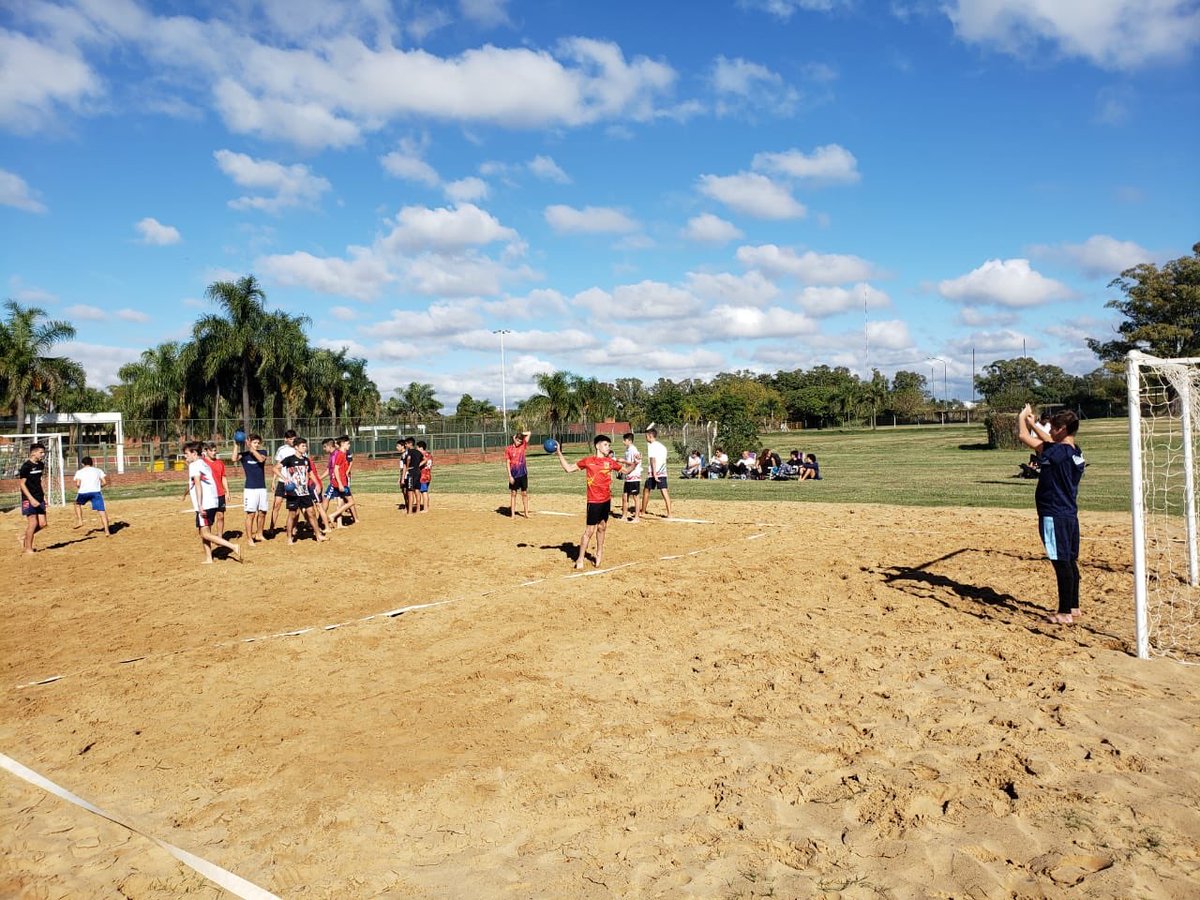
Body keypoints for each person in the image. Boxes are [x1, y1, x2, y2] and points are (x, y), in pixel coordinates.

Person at [1018, 403, 1086, 625]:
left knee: (1060, 563)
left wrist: (1022, 420)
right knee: (1070, 561)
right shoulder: (1075, 452)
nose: (1050, 430)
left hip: (1053, 514)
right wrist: (1033, 423)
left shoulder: (1057, 452)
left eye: (1053, 427)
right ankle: (1074, 607)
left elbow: (1023, 437)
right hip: (1068, 514)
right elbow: (1048, 440)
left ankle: (1064, 612)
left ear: (1063, 429)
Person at [555, 435, 636, 569]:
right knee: (589, 530)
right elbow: (568, 469)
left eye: (608, 445)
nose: (608, 447)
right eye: (605, 445)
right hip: (593, 501)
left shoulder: (610, 462)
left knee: (602, 527)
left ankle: (599, 552)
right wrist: (559, 453)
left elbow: (626, 471)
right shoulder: (588, 461)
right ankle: (580, 558)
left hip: (606, 500)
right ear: (598, 446)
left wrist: (635, 463)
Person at [183, 441, 241, 563]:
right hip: (213, 502)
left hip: (205, 504)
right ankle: (209, 558)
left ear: (194, 453)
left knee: (205, 533)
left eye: (186, 453)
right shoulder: (204, 465)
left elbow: (198, 484)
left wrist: (199, 505)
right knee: (204, 531)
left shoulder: (194, 466)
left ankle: (233, 547)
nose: (185, 456)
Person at [280, 437, 326, 544]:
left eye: (305, 446)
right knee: (293, 514)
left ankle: (318, 535)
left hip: (304, 492)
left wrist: (317, 484)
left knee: (312, 512)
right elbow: (275, 468)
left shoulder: (306, 460)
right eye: (303, 446)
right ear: (296, 447)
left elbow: (309, 473)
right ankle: (289, 538)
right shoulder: (289, 459)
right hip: (293, 492)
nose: (305, 448)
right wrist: (285, 478)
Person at [235, 433, 269, 544]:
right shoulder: (244, 455)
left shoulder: (262, 452)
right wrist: (236, 445)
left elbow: (261, 460)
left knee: (263, 512)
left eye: (258, 443)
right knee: (251, 514)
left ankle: (259, 534)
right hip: (250, 489)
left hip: (262, 488)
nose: (257, 445)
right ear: (249, 442)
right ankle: (250, 538)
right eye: (254, 442)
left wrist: (251, 449)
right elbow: (233, 458)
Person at [18, 442, 48, 554]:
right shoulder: (26, 466)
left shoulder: (41, 465)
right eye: (41, 452)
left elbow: (39, 482)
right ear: (33, 453)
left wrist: (43, 497)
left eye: (43, 452)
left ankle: (24, 537)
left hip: (39, 497)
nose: (43, 454)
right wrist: (31, 499)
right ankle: (28, 549)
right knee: (33, 523)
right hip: (28, 498)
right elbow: (22, 484)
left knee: (43, 524)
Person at [638, 427, 673, 518]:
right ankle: (669, 514)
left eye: (646, 436)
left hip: (654, 472)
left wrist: (654, 474)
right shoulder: (662, 446)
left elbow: (653, 460)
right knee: (664, 491)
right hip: (662, 471)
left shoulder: (652, 446)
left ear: (650, 436)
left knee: (646, 490)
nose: (646, 438)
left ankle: (643, 511)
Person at [72, 455, 110, 536]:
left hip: (83, 492)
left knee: (76, 504)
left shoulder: (79, 472)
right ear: (92, 463)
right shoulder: (98, 470)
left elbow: (78, 484)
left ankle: (80, 521)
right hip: (96, 492)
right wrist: (98, 486)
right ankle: (107, 531)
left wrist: (80, 487)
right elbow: (105, 482)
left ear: (82, 464)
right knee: (102, 511)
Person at [269, 429, 298, 534]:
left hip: (294, 482)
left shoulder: (298, 448)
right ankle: (271, 528)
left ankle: (294, 527)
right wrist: (273, 481)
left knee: (295, 506)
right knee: (277, 504)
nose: (293, 441)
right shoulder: (281, 450)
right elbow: (277, 466)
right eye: (290, 439)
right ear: (286, 439)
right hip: (282, 481)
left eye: (294, 439)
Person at [328, 435, 358, 526]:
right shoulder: (340, 454)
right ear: (342, 444)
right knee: (351, 502)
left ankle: (339, 524)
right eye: (348, 443)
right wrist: (340, 483)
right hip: (342, 482)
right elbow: (336, 469)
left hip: (341, 481)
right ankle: (333, 515)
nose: (349, 445)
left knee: (340, 502)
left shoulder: (343, 453)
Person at [203, 442, 229, 538]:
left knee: (220, 516)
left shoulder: (220, 463)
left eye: (215, 451)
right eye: (211, 451)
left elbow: (223, 477)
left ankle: (219, 536)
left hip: (220, 494)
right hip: (209, 495)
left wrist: (227, 491)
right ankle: (209, 536)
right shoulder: (202, 463)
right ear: (206, 451)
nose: (214, 453)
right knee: (209, 519)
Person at [505, 430, 532, 519]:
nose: (519, 442)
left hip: (523, 474)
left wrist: (520, 434)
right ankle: (512, 514)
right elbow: (508, 462)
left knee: (524, 493)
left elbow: (529, 433)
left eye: (520, 441)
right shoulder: (509, 449)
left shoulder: (523, 445)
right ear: (514, 438)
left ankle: (526, 513)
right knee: (513, 493)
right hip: (513, 475)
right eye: (517, 440)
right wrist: (510, 475)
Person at [620, 432, 642, 523]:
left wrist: (623, 461)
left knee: (635, 497)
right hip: (628, 476)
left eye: (624, 440)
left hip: (634, 477)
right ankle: (624, 516)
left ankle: (637, 517)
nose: (623, 442)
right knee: (625, 496)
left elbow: (635, 462)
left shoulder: (633, 450)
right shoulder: (627, 450)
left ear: (629, 440)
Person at [399, 436, 424, 514]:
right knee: (417, 490)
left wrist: (403, 477)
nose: (405, 445)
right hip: (418, 472)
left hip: (411, 472)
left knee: (410, 492)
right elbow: (424, 459)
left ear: (410, 444)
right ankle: (418, 510)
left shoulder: (409, 452)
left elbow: (407, 461)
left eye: (406, 444)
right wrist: (417, 466)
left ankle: (409, 511)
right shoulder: (418, 452)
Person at [417, 439, 432, 512]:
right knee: (425, 491)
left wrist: (417, 466)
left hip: (423, 476)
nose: (417, 449)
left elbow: (423, 462)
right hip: (428, 475)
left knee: (423, 492)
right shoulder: (429, 455)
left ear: (421, 448)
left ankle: (425, 508)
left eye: (417, 448)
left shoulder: (422, 455)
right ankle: (427, 506)